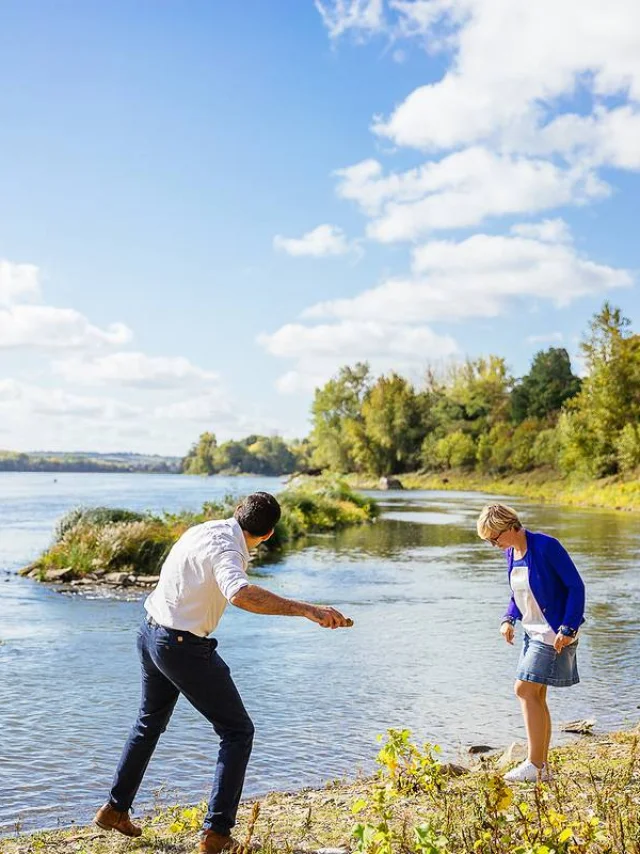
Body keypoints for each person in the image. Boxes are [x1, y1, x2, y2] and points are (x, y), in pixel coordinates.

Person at [94, 492, 352, 853]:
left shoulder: (203, 530)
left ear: (237, 512)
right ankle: (216, 833)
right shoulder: (229, 551)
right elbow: (240, 593)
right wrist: (306, 609)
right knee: (237, 732)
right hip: (181, 646)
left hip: (150, 632)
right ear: (269, 534)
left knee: (148, 722)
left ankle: (114, 809)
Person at [476, 503, 585, 783]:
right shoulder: (512, 552)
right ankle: (542, 766)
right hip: (531, 631)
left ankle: (534, 764)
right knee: (536, 694)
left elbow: (576, 586)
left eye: (494, 538)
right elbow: (517, 593)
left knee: (523, 689)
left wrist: (569, 627)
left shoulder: (547, 546)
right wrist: (508, 619)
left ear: (509, 527)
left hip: (553, 631)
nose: (493, 544)